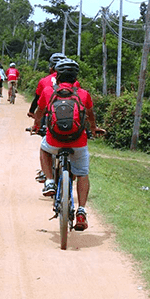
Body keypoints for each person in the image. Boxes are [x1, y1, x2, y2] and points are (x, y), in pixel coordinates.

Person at [31, 58, 103, 231]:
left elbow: (39, 112)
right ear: (75, 77)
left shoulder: (48, 91)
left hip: (54, 141)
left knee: (44, 148)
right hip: (78, 143)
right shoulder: (84, 94)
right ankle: (81, 211)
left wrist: (35, 125)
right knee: (83, 173)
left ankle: (49, 181)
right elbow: (91, 116)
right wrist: (93, 129)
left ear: (58, 75)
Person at [28, 52, 66, 183]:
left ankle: (46, 173)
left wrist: (31, 112)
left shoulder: (44, 81)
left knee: (46, 141)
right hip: (69, 119)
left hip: (47, 117)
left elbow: (37, 100)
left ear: (51, 67)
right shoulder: (74, 82)